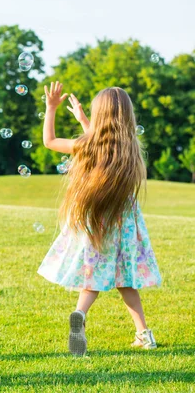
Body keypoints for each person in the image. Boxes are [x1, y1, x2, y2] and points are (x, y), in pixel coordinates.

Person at [38, 81, 162, 356]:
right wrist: (84, 122)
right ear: (127, 116)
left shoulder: (88, 146)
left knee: (93, 276)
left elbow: (50, 142)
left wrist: (51, 108)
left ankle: (80, 314)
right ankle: (144, 334)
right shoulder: (131, 150)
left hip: (95, 221)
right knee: (125, 279)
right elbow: (107, 146)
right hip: (124, 224)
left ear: (99, 115)